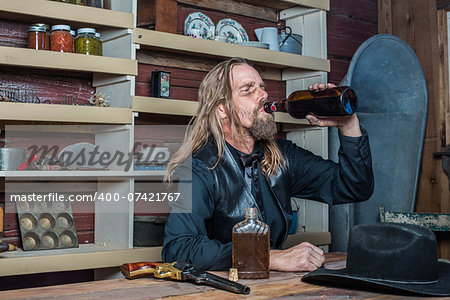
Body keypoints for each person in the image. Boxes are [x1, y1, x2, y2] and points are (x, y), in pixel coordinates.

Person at [162, 57, 374, 272]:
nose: (263, 95)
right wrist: (268, 257)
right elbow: (179, 248)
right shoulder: (199, 169)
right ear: (222, 109)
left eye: (262, 87)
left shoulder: (283, 156)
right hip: (218, 289)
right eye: (248, 90)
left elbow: (354, 187)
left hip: (270, 287)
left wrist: (348, 125)